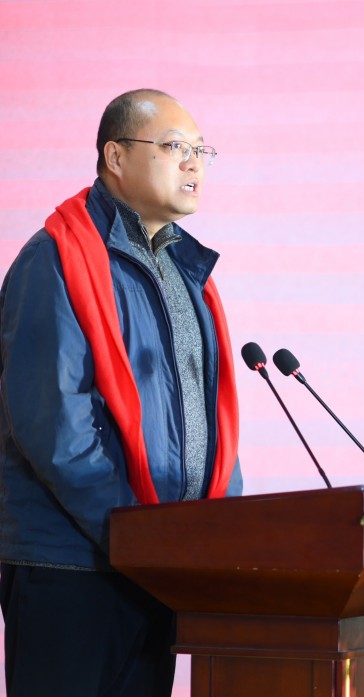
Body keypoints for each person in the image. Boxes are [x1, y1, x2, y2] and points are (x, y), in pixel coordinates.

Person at [0, 89, 242, 696]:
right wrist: (139, 541)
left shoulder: (186, 272)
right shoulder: (55, 260)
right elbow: (54, 428)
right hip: (71, 564)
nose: (194, 163)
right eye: (175, 146)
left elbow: (210, 423)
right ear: (115, 155)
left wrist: (223, 537)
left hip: (155, 568)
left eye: (202, 150)